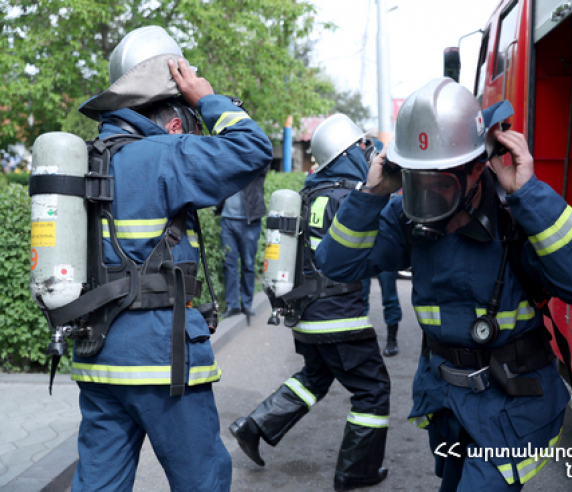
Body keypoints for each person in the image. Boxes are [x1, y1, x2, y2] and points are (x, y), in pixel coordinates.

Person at [316, 78, 572, 491]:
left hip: (516, 405)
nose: (430, 200)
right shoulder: (407, 215)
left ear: (478, 166)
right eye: (418, 182)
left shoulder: (518, 213)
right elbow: (336, 264)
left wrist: (528, 193)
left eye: (443, 183)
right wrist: (371, 194)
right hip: (448, 403)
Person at [72, 26, 272, 491]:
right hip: (162, 361)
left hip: (97, 359)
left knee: (98, 484)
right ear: (176, 120)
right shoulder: (166, 154)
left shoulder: (85, 161)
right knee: (201, 480)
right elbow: (253, 149)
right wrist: (208, 97)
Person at [229, 113, 391, 492]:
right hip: (339, 316)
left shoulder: (308, 193)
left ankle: (254, 426)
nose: (368, 153)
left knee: (315, 378)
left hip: (305, 314)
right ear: (347, 153)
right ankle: (355, 471)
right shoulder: (350, 197)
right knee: (373, 390)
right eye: (363, 147)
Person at [216, 165, 268, 322]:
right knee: (229, 264)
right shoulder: (228, 161)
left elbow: (264, 163)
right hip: (227, 221)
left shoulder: (255, 162)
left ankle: (247, 303)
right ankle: (232, 305)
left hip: (249, 221)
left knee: (248, 264)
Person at [362, 269, 402, 356]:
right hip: (362, 257)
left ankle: (392, 340)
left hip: (386, 257)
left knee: (389, 298)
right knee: (360, 299)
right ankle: (359, 338)